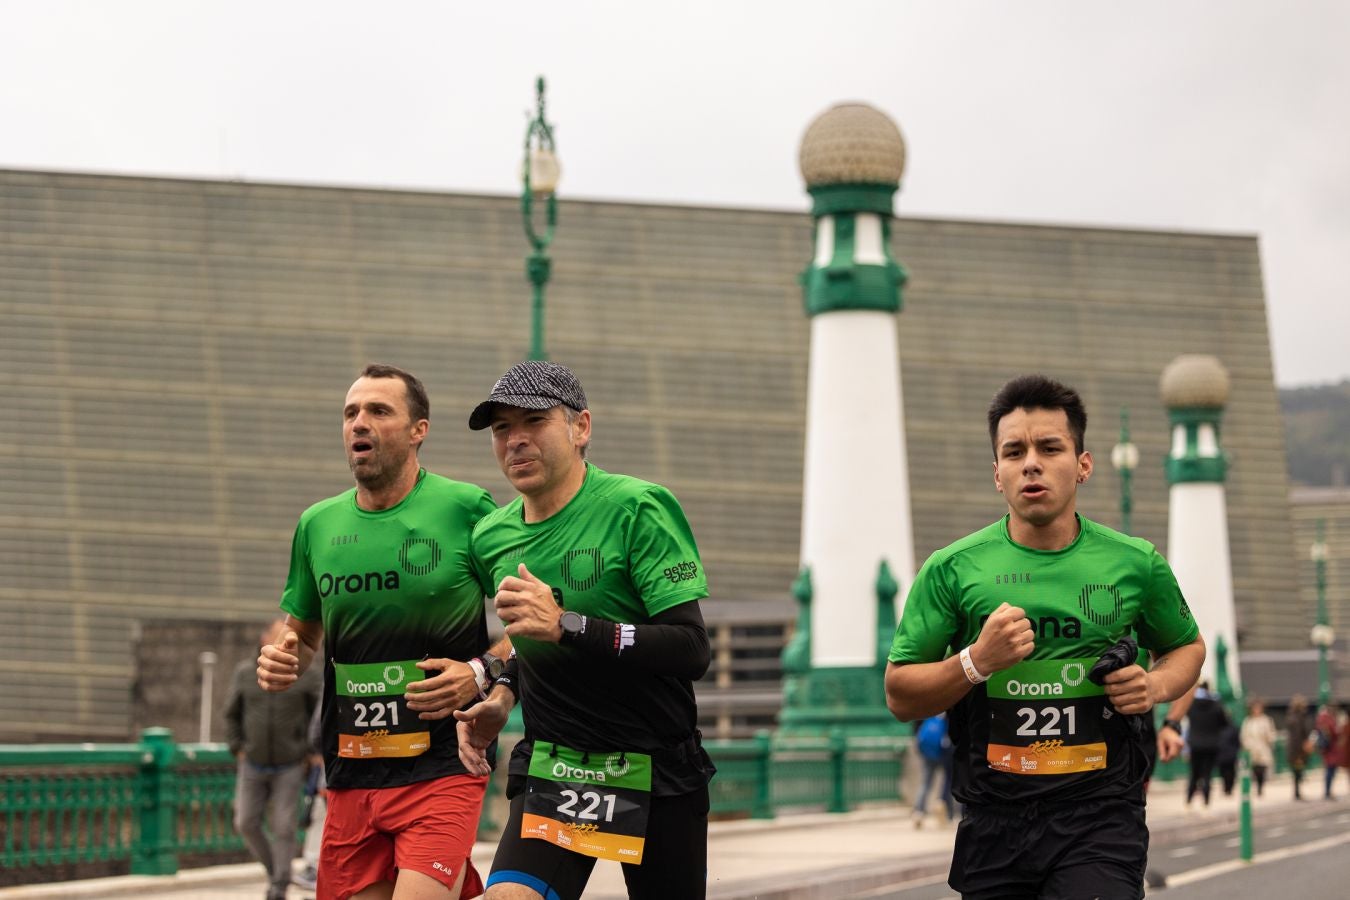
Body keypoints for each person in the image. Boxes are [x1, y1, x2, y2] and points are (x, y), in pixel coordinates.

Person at [884, 374, 1205, 900]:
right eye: (1014, 452)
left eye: (1049, 447)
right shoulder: (952, 569)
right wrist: (976, 661)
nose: (1030, 462)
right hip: (994, 817)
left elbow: (1187, 647)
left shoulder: (1135, 562)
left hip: (1101, 813)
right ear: (997, 473)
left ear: (1083, 464)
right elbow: (899, 694)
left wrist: (1155, 686)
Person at [453, 360, 716, 900]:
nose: (516, 441)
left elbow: (691, 649)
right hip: (557, 766)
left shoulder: (637, 508)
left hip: (654, 768)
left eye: (533, 422)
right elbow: (523, 639)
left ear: (581, 427)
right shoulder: (490, 538)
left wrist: (570, 627)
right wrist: (502, 689)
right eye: (502, 428)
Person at [256, 363, 509, 900]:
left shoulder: (465, 509)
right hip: (351, 773)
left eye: (378, 411)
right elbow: (300, 636)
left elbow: (533, 622)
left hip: (442, 764)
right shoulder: (317, 524)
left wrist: (481, 672)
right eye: (350, 413)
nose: (359, 423)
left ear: (419, 429)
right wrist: (283, 658)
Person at [227, 618, 322, 900]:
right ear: (263, 639)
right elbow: (232, 712)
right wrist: (238, 747)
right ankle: (276, 872)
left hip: (290, 763)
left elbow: (318, 715)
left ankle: (279, 886)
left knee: (284, 825)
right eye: (278, 633)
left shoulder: (308, 675)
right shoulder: (245, 673)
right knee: (245, 821)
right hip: (252, 761)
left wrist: (310, 751)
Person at [1183, 681, 1229, 809]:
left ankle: (1189, 800)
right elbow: (1225, 723)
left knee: (1194, 773)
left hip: (1195, 744)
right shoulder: (1216, 705)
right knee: (1207, 774)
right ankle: (1206, 801)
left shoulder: (1191, 704)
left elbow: (1186, 716)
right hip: (1211, 745)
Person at [912, 713, 957, 827]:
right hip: (945, 751)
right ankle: (943, 806)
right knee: (947, 781)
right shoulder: (948, 708)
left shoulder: (926, 708)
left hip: (928, 752)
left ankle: (919, 811)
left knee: (926, 783)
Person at [1239, 697, 1277, 797]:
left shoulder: (1266, 720)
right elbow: (1244, 735)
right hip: (1252, 749)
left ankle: (1261, 787)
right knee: (1255, 769)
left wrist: (1270, 741)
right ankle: (1257, 786)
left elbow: (1271, 734)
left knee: (1262, 768)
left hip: (1263, 748)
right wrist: (1245, 746)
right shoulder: (1248, 721)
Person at [1286, 694, 1314, 800]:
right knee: (1298, 771)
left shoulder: (1290, 716)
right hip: (1298, 749)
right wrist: (1303, 747)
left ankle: (1297, 791)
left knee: (1296, 771)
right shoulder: (1300, 718)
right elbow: (1300, 734)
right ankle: (1297, 792)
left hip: (1293, 748)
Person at [1315, 702, 1343, 799]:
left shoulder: (1320, 718)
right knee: (1331, 770)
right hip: (1332, 748)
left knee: (1328, 769)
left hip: (1325, 748)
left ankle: (1327, 791)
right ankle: (1328, 791)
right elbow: (1335, 732)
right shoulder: (1330, 719)